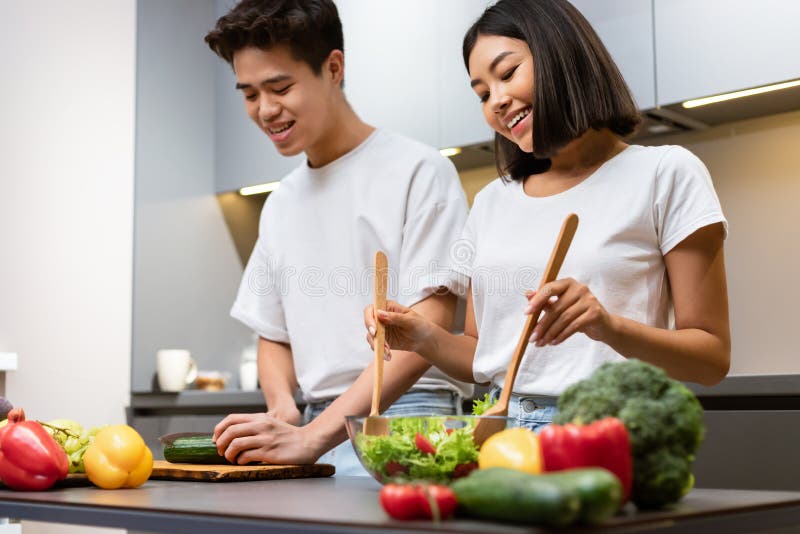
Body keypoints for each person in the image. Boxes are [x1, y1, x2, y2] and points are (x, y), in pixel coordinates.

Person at [365, 0, 730, 431]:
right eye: (482, 93)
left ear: (559, 55)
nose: (496, 101)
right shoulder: (491, 202)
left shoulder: (666, 173)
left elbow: (711, 358)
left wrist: (607, 326)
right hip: (502, 435)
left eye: (507, 74)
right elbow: (484, 357)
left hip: (607, 429)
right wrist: (425, 337)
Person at [206, 0, 473, 473]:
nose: (266, 109)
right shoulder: (281, 202)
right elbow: (273, 333)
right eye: (249, 94)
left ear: (333, 68)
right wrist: (283, 406)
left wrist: (315, 435)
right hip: (312, 423)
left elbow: (428, 322)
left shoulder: (419, 172)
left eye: (280, 87)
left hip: (408, 417)